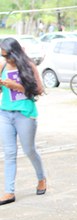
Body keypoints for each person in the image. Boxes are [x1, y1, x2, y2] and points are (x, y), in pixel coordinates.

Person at [0, 38, 46, 206]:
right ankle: (9, 191)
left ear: (14, 53)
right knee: (9, 153)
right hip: (5, 113)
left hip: (25, 114)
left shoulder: (28, 66)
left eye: (6, 56)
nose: (5, 59)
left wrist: (15, 85)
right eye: (2, 56)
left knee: (29, 150)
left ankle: (42, 178)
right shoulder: (3, 66)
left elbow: (39, 90)